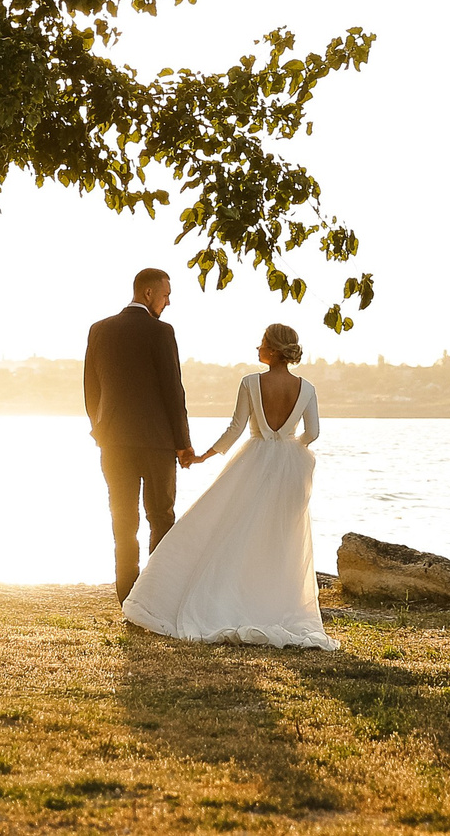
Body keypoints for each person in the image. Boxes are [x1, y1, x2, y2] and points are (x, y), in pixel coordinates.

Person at [119, 322, 337, 650]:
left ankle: (223, 602)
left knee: (225, 530)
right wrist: (291, 445)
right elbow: (314, 433)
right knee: (278, 542)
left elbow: (236, 428)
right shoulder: (307, 388)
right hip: (289, 468)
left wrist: (205, 455)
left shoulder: (251, 382)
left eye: (262, 343)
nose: (257, 348)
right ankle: (268, 604)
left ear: (274, 350)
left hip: (253, 462)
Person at [84, 268, 195, 601]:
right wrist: (183, 444)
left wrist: (99, 429)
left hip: (113, 442)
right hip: (157, 444)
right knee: (161, 517)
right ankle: (154, 597)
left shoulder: (99, 330)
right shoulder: (161, 332)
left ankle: (127, 597)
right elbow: (173, 391)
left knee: (123, 519)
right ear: (148, 293)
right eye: (166, 295)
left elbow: (91, 389)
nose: (169, 302)